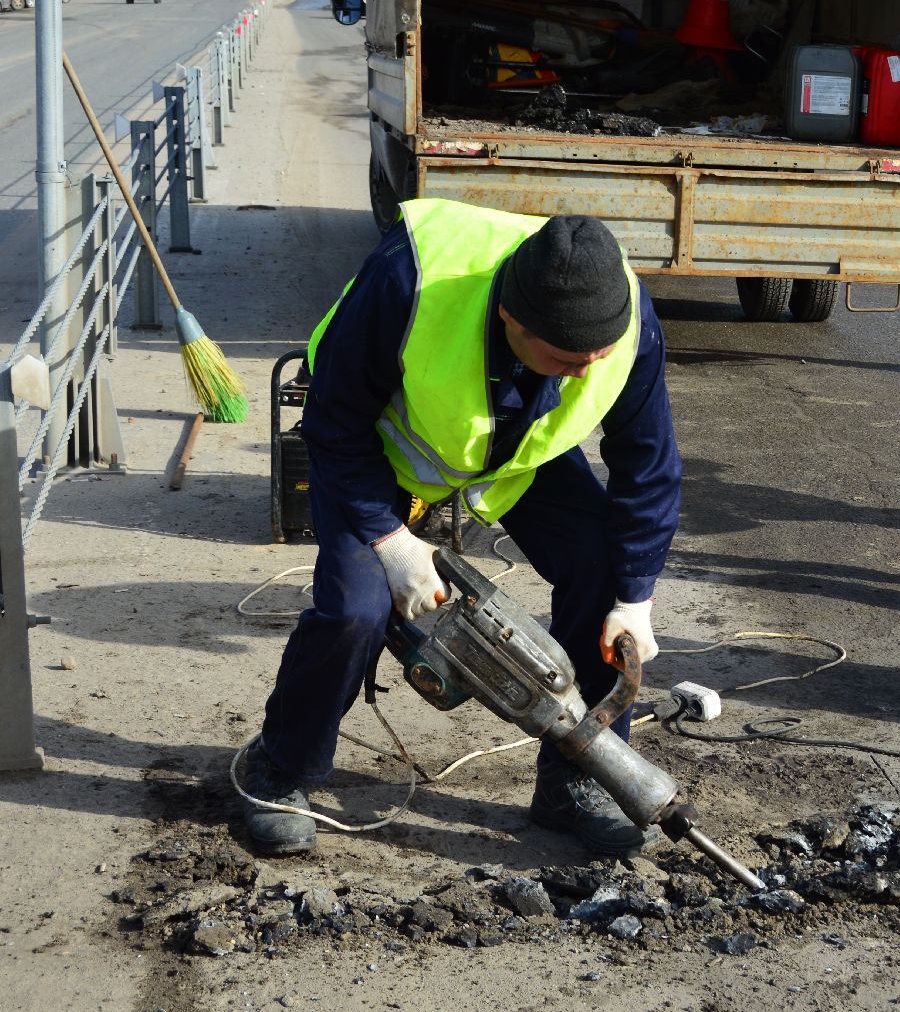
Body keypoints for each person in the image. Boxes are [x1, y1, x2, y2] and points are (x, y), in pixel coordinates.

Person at [239, 200, 681, 857]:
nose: (589, 370)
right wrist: (392, 544)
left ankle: (576, 778)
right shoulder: (407, 279)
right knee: (356, 610)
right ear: (510, 317)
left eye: (600, 354)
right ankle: (279, 767)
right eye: (567, 357)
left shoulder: (620, 315)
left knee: (601, 562)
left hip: (510, 454)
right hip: (382, 441)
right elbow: (331, 421)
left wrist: (635, 597)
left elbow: (648, 463)